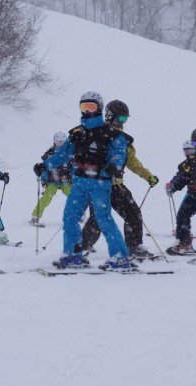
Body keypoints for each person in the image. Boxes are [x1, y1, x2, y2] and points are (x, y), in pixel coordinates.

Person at [35, 92, 135, 271]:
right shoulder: (77, 134)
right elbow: (63, 154)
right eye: (84, 107)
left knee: (104, 219)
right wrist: (45, 165)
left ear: (100, 108)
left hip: (100, 183)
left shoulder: (110, 134)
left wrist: (115, 165)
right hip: (79, 183)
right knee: (70, 217)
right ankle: (73, 255)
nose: (88, 111)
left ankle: (120, 257)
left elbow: (120, 151)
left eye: (92, 107)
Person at [81, 100, 159, 259]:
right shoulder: (97, 134)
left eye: (125, 119)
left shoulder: (124, 139)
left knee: (134, 214)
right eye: (120, 119)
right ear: (109, 116)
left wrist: (147, 176)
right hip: (98, 185)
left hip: (116, 186)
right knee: (98, 218)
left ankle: (135, 247)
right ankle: (80, 247)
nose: (122, 123)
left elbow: (132, 162)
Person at [30, 132, 72, 226]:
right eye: (58, 142)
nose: (60, 144)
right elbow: (45, 168)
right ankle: (35, 217)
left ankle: (81, 216)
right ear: (55, 142)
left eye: (62, 142)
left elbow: (74, 167)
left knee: (73, 197)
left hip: (66, 180)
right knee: (46, 198)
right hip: (53, 180)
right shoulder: (50, 153)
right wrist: (43, 179)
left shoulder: (69, 153)